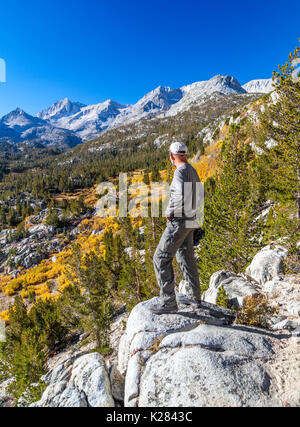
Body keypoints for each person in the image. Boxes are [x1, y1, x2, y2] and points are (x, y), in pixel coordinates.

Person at [151, 142, 202, 315]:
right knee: (186, 258)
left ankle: (168, 303)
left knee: (160, 258)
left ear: (172, 156)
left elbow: (180, 194)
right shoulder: (192, 170)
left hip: (179, 221)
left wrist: (170, 211)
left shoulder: (179, 172)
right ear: (185, 155)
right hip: (191, 219)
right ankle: (196, 299)